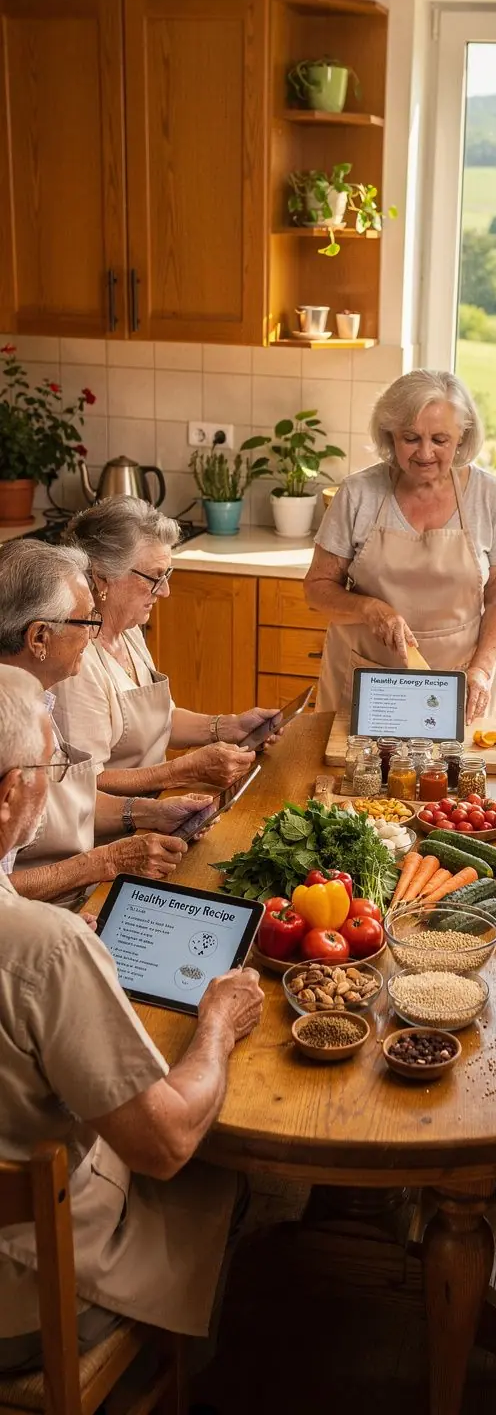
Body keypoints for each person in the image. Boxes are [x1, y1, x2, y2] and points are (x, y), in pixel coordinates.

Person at [0, 666, 265, 1372]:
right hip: (30, 1294)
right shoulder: (45, 947)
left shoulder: (43, 942)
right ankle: (168, 1372)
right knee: (218, 1172)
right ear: (7, 796)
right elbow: (166, 1141)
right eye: (51, 768)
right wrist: (217, 1020)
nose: (58, 786)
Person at [304, 369, 496, 723]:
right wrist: (370, 610)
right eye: (411, 438)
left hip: (459, 679)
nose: (425, 453)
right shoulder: (358, 493)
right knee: (352, 778)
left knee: (455, 776)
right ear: (390, 434)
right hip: (367, 679)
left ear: (462, 437)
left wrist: (481, 669)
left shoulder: (490, 497)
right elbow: (317, 588)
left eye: (440, 439)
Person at [0, 542, 211, 904]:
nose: (93, 633)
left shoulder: (39, 695)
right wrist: (107, 861)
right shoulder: (12, 721)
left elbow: (68, 806)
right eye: (86, 621)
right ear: (39, 638)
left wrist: (152, 812)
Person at [53, 496, 282, 795]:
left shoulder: (128, 629)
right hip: (119, 830)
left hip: (161, 805)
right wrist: (185, 771)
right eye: (155, 577)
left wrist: (230, 726)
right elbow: (87, 785)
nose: (166, 592)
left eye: (167, 575)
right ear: (103, 578)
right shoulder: (76, 662)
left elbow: (162, 721)